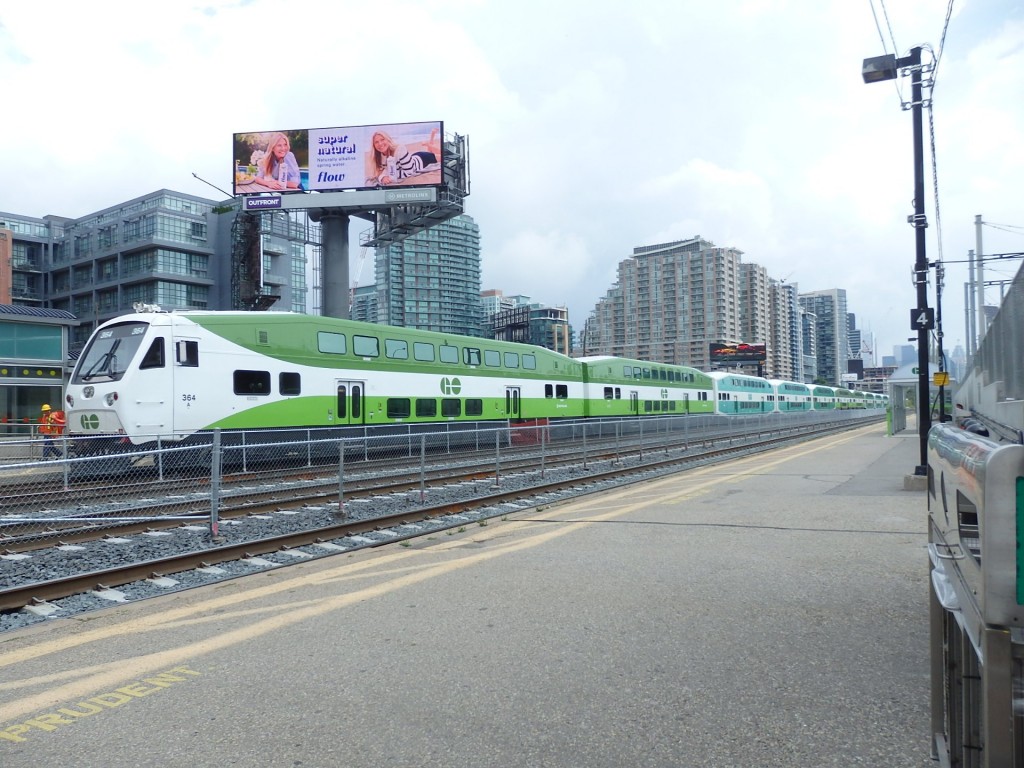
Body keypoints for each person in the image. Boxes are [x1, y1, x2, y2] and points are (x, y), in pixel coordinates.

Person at [366, 128, 441, 186]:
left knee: (441, 156)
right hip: (412, 157)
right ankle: (430, 139)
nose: (380, 144)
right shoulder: (379, 157)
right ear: (374, 145)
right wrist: (382, 178)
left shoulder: (400, 149)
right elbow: (379, 173)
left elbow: (409, 172)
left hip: (422, 160)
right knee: (430, 151)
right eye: (376, 142)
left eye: (382, 139)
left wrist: (390, 175)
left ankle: (430, 140)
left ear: (388, 139)